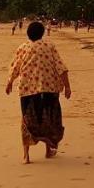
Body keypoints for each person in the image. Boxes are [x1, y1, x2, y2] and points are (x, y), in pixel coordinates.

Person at [5, 21, 71, 163]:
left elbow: (15, 67)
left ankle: (26, 156)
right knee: (48, 119)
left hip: (28, 89)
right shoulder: (49, 46)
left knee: (27, 121)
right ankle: (48, 150)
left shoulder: (23, 47)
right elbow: (61, 67)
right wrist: (67, 86)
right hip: (50, 89)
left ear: (28, 33)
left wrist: (9, 82)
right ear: (42, 33)